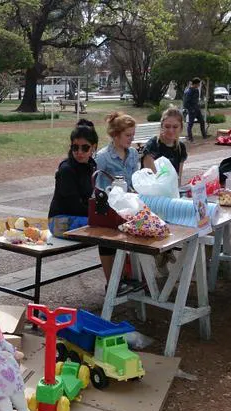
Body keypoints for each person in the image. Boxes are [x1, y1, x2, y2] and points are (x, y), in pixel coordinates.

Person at [94, 112, 140, 290]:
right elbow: (95, 181)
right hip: (109, 208)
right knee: (108, 242)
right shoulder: (103, 156)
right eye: (128, 135)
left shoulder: (133, 154)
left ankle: (126, 276)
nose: (131, 139)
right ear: (115, 135)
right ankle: (112, 283)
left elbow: (135, 179)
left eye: (133, 135)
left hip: (128, 206)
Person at [47, 119, 98, 236]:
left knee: (109, 224)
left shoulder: (92, 165)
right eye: (75, 147)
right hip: (58, 222)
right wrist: (97, 215)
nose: (79, 152)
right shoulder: (66, 170)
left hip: (79, 216)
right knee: (102, 225)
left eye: (85, 148)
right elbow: (73, 205)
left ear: (93, 147)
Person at [141, 107, 187, 183]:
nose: (171, 130)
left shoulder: (181, 148)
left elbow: (178, 179)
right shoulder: (153, 146)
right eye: (167, 126)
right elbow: (152, 179)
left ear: (181, 128)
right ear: (162, 126)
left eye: (175, 127)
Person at [183, 78, 209, 142]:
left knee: (202, 121)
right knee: (190, 124)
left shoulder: (196, 90)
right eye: (198, 84)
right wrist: (191, 109)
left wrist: (199, 104)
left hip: (197, 109)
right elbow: (185, 103)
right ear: (195, 84)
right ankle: (190, 138)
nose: (199, 85)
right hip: (192, 110)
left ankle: (204, 135)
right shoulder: (189, 91)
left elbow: (196, 100)